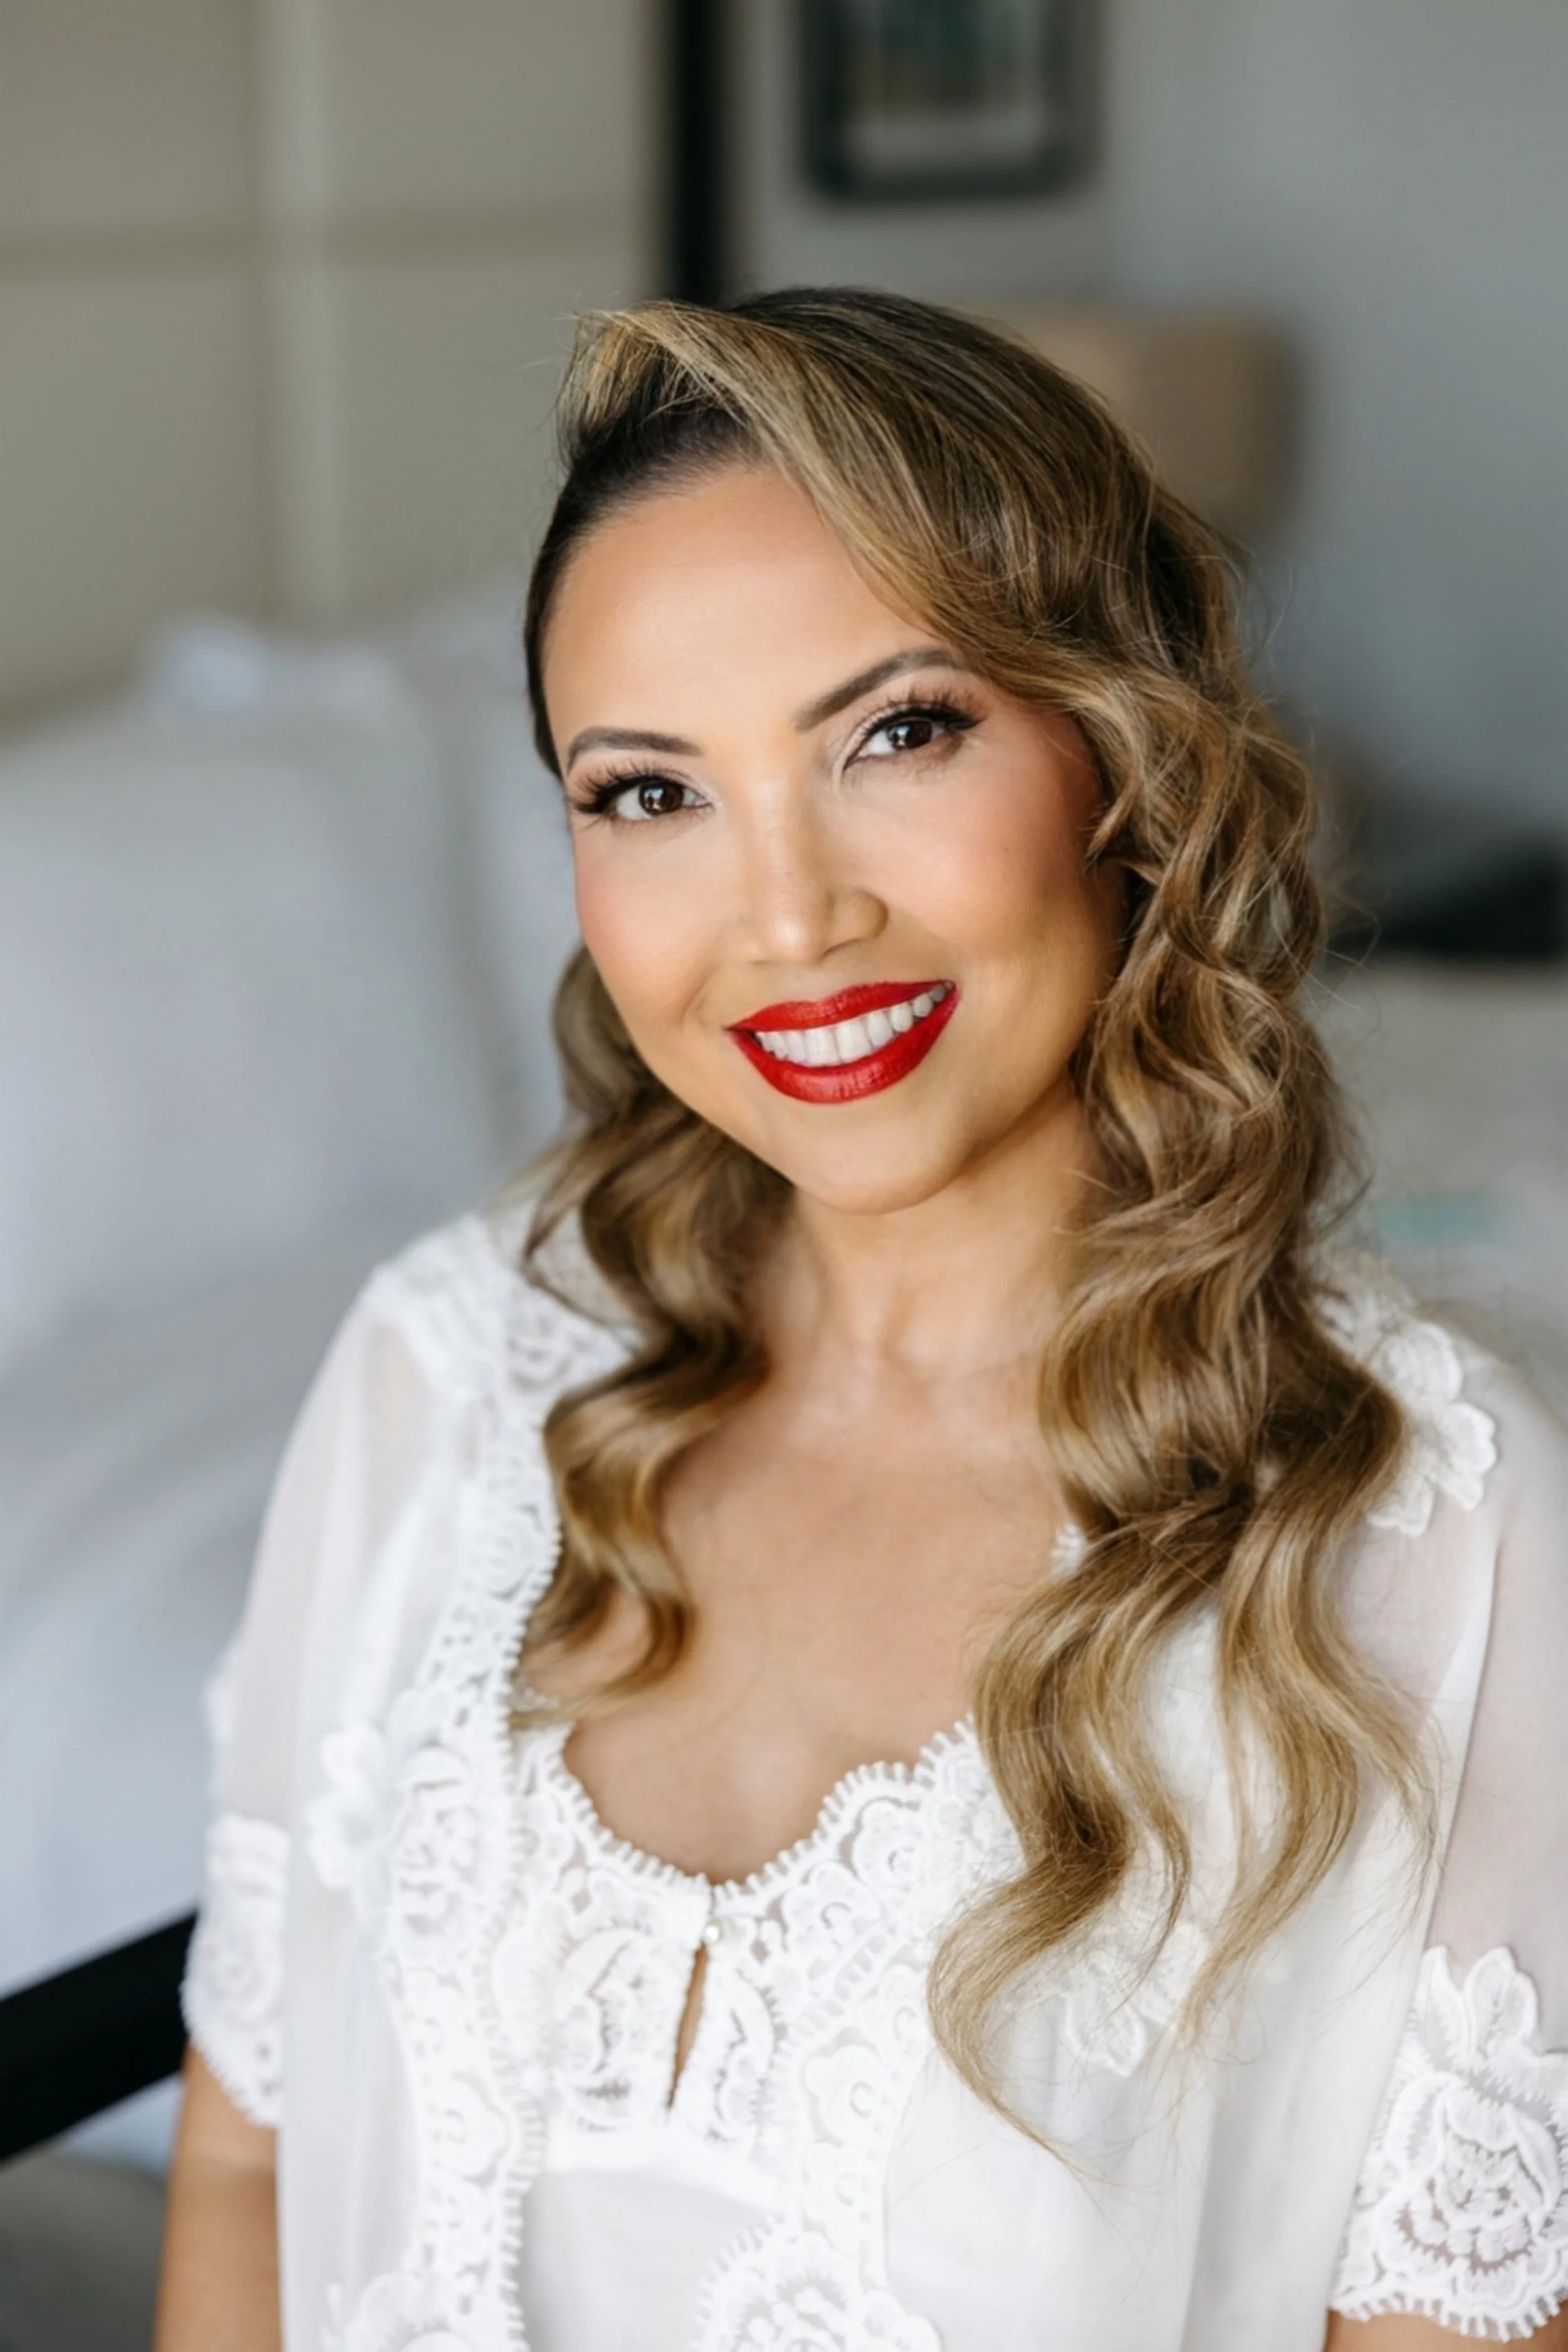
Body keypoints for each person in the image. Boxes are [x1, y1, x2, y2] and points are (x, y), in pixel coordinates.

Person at [154, 289, 1568, 2352]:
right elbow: (244, 2156)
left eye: (895, 732)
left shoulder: (1424, 1521)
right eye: (649, 791)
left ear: (1122, 755)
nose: (787, 913)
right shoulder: (445, 1366)